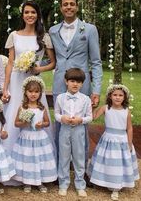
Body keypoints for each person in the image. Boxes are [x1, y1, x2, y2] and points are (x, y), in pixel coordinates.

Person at [49, 0, 102, 169]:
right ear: (61, 8)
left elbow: (95, 62)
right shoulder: (53, 30)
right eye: (65, 4)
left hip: (82, 85)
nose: (69, 7)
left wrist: (96, 90)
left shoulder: (89, 29)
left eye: (72, 4)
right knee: (59, 125)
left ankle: (83, 168)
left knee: (82, 128)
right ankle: (59, 168)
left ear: (77, 7)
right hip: (59, 83)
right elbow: (52, 59)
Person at [2, 0, 56, 162]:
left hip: (34, 82)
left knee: (36, 113)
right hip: (16, 81)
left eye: (33, 12)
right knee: (14, 114)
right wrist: (5, 88)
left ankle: (35, 161)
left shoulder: (44, 37)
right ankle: (9, 160)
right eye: (27, 12)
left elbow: (53, 62)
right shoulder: (14, 35)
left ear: (37, 15)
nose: (30, 15)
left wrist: (39, 69)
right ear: (22, 15)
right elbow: (10, 62)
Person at [88, 84, 139, 201]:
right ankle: (105, 178)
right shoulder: (106, 108)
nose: (117, 97)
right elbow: (93, 117)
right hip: (108, 138)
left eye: (120, 95)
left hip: (122, 139)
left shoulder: (126, 111)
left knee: (119, 163)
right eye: (115, 95)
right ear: (110, 96)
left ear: (125, 97)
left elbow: (129, 128)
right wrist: (92, 106)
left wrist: (129, 143)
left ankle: (116, 186)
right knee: (107, 160)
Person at [11, 76, 57, 193]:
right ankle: (27, 181)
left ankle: (40, 181)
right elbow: (16, 123)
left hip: (39, 137)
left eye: (36, 92)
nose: (33, 94)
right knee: (28, 159)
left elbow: (47, 122)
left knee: (39, 159)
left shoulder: (42, 108)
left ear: (40, 93)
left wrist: (42, 124)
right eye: (30, 91)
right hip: (26, 137)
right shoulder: (22, 107)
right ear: (25, 92)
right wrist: (24, 123)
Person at [54, 68, 92, 197]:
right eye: (72, 81)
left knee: (79, 157)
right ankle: (63, 183)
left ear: (82, 84)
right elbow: (56, 114)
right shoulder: (60, 98)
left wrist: (81, 120)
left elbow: (89, 117)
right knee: (64, 156)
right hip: (64, 130)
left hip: (79, 130)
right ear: (66, 81)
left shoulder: (86, 99)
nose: (75, 84)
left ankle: (80, 184)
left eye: (78, 82)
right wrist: (61, 118)